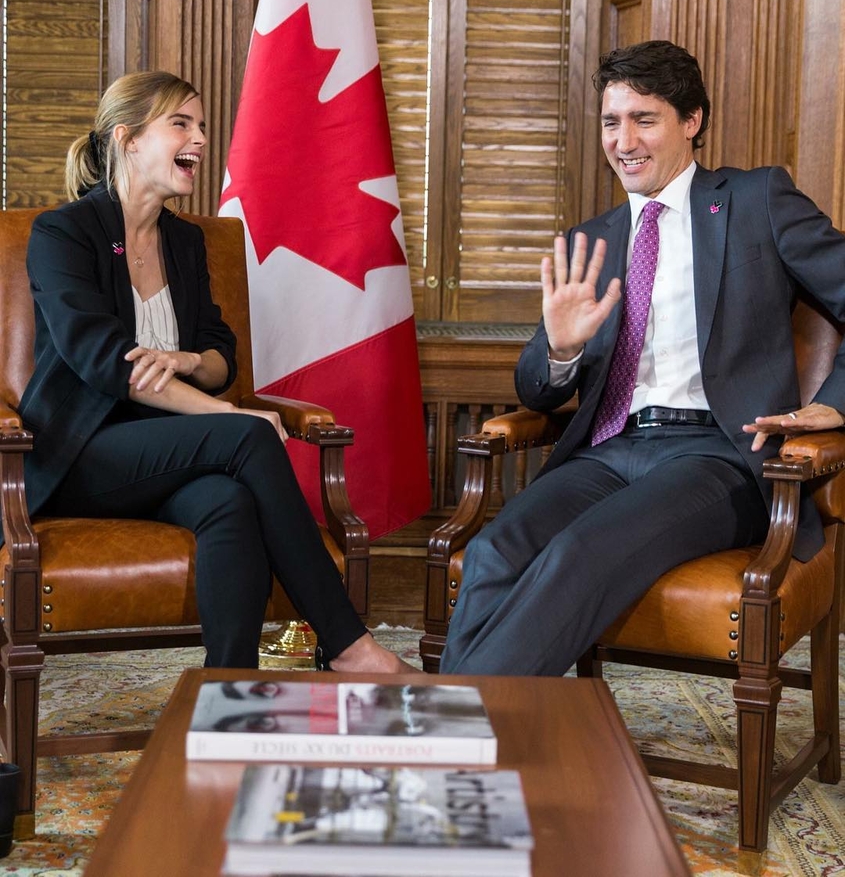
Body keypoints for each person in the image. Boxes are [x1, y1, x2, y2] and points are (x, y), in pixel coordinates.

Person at [441, 39, 845, 677]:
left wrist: (832, 405)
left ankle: (451, 738)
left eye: (644, 119)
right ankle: (477, 734)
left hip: (718, 455)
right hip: (609, 451)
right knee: (495, 549)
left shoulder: (755, 201)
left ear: (692, 122)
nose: (622, 140)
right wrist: (562, 347)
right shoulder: (592, 242)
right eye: (610, 121)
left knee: (577, 554)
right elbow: (536, 389)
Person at [19, 69, 414, 673]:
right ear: (127, 139)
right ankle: (348, 644)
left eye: (201, 126)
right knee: (249, 435)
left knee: (228, 501)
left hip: (169, 451)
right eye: (182, 124)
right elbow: (104, 362)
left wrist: (188, 360)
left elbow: (220, 353)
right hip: (78, 454)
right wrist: (228, 416)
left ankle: (228, 689)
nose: (201, 140)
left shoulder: (185, 241)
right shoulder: (63, 233)